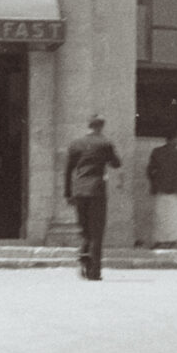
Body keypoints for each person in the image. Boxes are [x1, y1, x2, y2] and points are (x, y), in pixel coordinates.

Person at [63, 116, 121, 280]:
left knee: (84, 229)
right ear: (101, 127)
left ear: (88, 126)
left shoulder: (75, 144)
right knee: (96, 232)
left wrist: (67, 193)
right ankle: (94, 272)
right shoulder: (105, 143)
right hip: (96, 190)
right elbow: (117, 163)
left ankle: (83, 259)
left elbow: (68, 170)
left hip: (79, 190)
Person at [144, 135, 177, 250]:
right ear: (172, 139)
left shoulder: (157, 152)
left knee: (161, 215)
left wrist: (155, 182)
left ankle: (160, 240)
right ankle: (172, 240)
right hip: (175, 189)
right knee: (173, 216)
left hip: (161, 188)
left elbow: (150, 170)